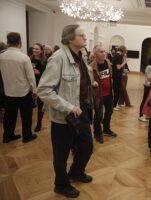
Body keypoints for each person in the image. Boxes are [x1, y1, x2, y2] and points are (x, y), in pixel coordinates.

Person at [37, 24, 93, 198]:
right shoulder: (58, 58)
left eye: (85, 35)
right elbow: (44, 90)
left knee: (86, 146)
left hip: (81, 110)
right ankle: (61, 184)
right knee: (61, 153)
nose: (85, 38)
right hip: (64, 115)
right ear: (70, 39)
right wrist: (69, 107)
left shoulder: (80, 56)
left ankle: (76, 172)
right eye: (81, 35)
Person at [0, 32, 37, 143]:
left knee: (9, 115)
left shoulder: (1, 56)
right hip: (23, 91)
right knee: (26, 115)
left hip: (8, 91)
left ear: (7, 42)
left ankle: (8, 136)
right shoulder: (24, 58)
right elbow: (31, 77)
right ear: (20, 43)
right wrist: (34, 90)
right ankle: (27, 136)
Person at [89, 45, 117, 143]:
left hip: (109, 93)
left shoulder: (108, 62)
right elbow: (89, 80)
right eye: (101, 52)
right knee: (98, 115)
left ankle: (106, 129)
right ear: (95, 54)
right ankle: (97, 134)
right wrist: (92, 83)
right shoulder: (91, 67)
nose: (104, 53)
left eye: (104, 51)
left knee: (109, 112)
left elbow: (110, 76)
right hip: (99, 95)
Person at [30, 43, 46, 132]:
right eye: (34, 48)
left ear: (41, 51)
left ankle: (39, 123)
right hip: (31, 85)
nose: (34, 50)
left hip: (41, 86)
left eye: (37, 49)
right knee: (30, 105)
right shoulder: (29, 59)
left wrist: (39, 73)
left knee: (40, 106)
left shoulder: (45, 61)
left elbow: (48, 74)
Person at [139, 56, 151, 122]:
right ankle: (141, 115)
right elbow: (149, 77)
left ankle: (146, 115)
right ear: (150, 60)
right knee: (145, 100)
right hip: (148, 86)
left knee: (149, 101)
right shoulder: (149, 67)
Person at [112, 45, 127, 111]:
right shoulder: (118, 56)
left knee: (117, 91)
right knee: (117, 91)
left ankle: (115, 104)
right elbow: (118, 67)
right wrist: (124, 62)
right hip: (117, 76)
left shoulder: (116, 55)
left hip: (116, 76)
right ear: (123, 51)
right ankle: (114, 105)